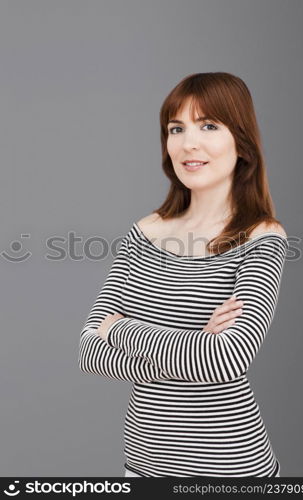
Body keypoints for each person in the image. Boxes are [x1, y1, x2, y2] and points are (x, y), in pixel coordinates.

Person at [78, 72, 287, 478]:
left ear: (241, 142)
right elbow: (88, 352)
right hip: (142, 467)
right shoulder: (144, 232)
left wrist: (122, 331)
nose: (188, 142)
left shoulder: (263, 237)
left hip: (230, 469)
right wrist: (197, 348)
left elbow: (227, 361)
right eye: (177, 128)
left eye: (208, 125)